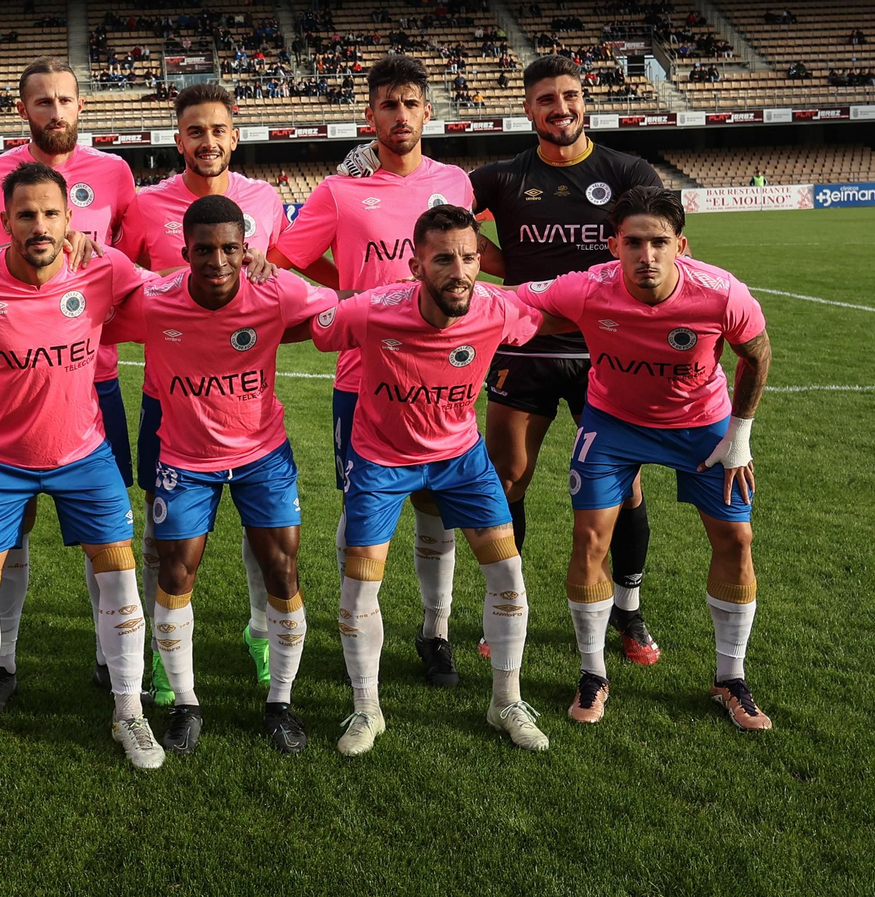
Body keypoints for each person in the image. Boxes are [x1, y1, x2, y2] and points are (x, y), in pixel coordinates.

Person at [0, 162, 163, 772]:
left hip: (85, 454)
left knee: (118, 573)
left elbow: (166, 295)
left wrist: (252, 266)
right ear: (3, 221)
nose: (39, 225)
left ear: (70, 220)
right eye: (26, 215)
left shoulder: (104, 268)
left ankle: (128, 712)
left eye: (51, 214)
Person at [514, 186, 774, 730]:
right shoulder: (588, 288)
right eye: (633, 242)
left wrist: (740, 436)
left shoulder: (721, 293)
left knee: (737, 539)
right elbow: (522, 303)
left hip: (701, 427)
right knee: (589, 538)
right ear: (613, 245)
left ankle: (730, 679)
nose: (646, 256)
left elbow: (758, 353)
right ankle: (593, 673)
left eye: (659, 242)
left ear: (681, 244)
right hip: (612, 424)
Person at [310, 204, 566, 755]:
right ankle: (366, 710)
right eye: (444, 259)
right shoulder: (371, 311)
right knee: (360, 586)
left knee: (509, 574)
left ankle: (506, 701)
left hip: (461, 458)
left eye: (470, 258)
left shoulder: (498, 309)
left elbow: (554, 312)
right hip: (379, 459)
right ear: (415, 265)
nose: (461, 271)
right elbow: (319, 329)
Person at [269, 54, 479, 690]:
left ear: (427, 111)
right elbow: (285, 255)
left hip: (442, 375)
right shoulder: (340, 190)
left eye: (411, 103)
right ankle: (361, 627)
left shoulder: (457, 183)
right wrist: (350, 291)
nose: (401, 115)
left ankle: (435, 631)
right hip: (365, 380)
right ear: (370, 115)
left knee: (437, 510)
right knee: (365, 511)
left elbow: (468, 261)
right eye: (388, 104)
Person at [106, 195, 336, 754]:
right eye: (204, 249)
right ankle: (185, 702)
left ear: (245, 248)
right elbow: (90, 316)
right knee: (176, 574)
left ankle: (280, 701)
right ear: (183, 252)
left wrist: (278, 290)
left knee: (282, 571)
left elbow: (329, 304)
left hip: (263, 454)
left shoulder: (274, 290)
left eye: (230, 248)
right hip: (185, 459)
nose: (217, 260)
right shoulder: (156, 300)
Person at [467, 54, 666, 676]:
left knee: (623, 489)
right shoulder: (501, 176)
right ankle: (507, 604)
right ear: (528, 110)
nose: (561, 108)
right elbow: (436, 218)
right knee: (508, 478)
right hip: (523, 348)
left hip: (606, 354)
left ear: (586, 100)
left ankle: (628, 611)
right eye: (547, 99)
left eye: (571, 96)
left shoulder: (628, 171)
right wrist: (507, 268)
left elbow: (657, 246)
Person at [0, 57, 139, 710]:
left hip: (99, 383)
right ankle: (2, 660)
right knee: (12, 528)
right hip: (15, 393)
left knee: (106, 533)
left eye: (66, 100)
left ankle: (107, 654)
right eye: (42, 102)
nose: (56, 112)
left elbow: (139, 262)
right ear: (22, 110)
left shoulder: (116, 173)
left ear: (81, 106)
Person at [115, 82, 291, 703]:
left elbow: (280, 278)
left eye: (218, 130)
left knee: (262, 531)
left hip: (245, 400)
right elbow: (115, 280)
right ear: (178, 137)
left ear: (234, 135)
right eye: (195, 131)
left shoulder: (265, 199)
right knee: (165, 536)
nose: (207, 142)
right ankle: (161, 656)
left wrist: (271, 269)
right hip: (172, 396)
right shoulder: (144, 205)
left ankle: (264, 635)